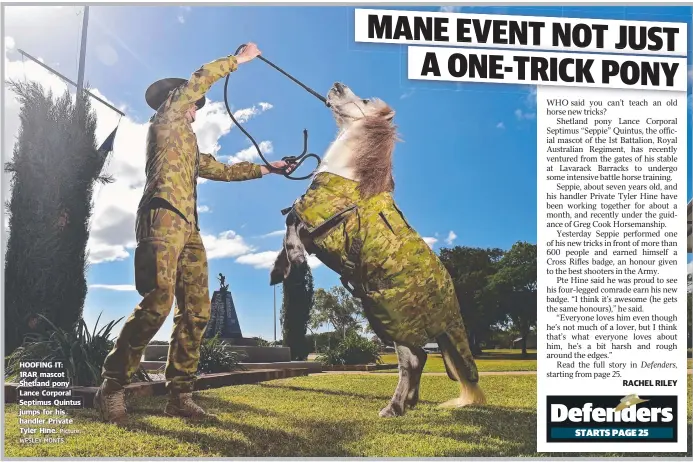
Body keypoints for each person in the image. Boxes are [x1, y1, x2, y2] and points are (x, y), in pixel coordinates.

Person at [94, 43, 290, 424]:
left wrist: (270, 168)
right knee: (157, 302)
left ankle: (180, 395)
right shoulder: (165, 122)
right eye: (193, 103)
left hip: (190, 230)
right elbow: (199, 80)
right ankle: (112, 387)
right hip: (161, 218)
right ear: (177, 100)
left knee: (197, 311)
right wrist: (238, 60)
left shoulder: (189, 143)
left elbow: (221, 170)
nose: (196, 110)